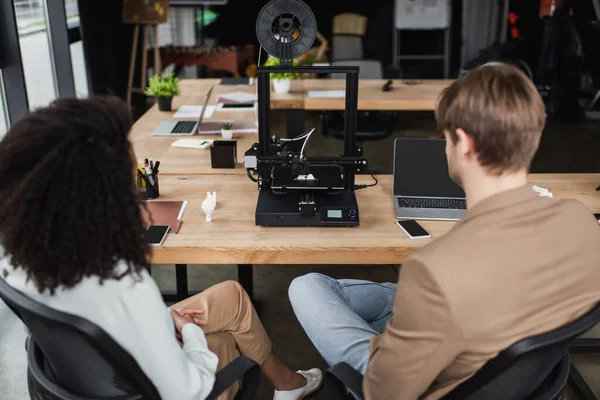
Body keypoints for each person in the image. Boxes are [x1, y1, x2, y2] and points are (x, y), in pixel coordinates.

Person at [289, 63, 600, 399]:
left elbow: (384, 393)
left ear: (463, 143)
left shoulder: (435, 271)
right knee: (323, 289)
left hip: (418, 378)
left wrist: (389, 344)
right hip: (502, 348)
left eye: (445, 137)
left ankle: (389, 337)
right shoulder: (580, 221)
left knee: (307, 289)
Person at [0, 97, 322, 400]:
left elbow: (96, 326)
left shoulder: (16, 262)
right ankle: (286, 383)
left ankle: (286, 384)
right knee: (226, 342)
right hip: (150, 388)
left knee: (233, 299)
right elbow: (189, 393)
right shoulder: (125, 287)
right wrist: (189, 333)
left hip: (101, 375)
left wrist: (159, 321)